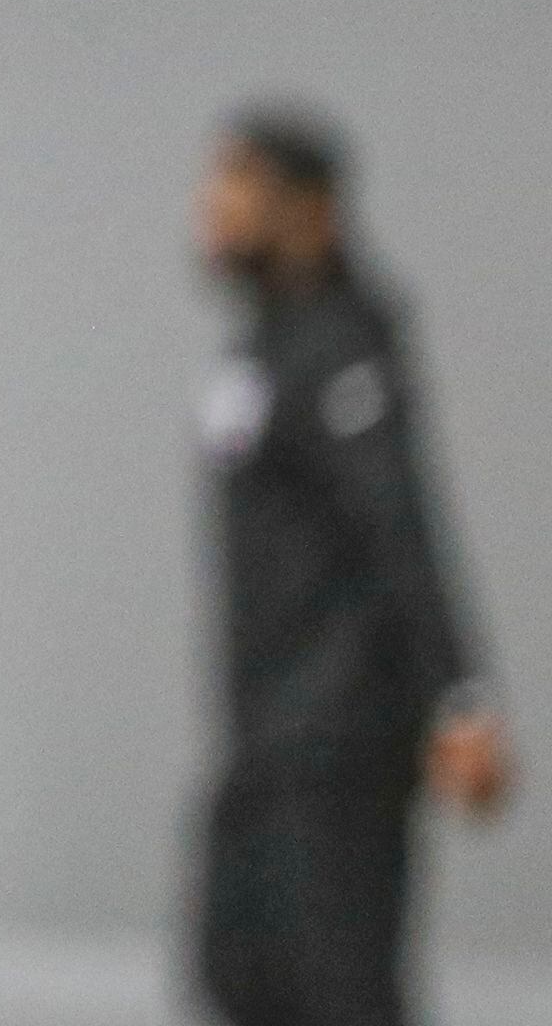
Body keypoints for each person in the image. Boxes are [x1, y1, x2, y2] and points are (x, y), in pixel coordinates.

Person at [192, 105, 517, 1026]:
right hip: (261, 740)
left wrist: (461, 700)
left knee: (341, 996)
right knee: (236, 975)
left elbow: (402, 529)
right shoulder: (259, 349)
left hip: (339, 745)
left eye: (236, 184)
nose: (210, 207)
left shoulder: (346, 345)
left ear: (308, 208)